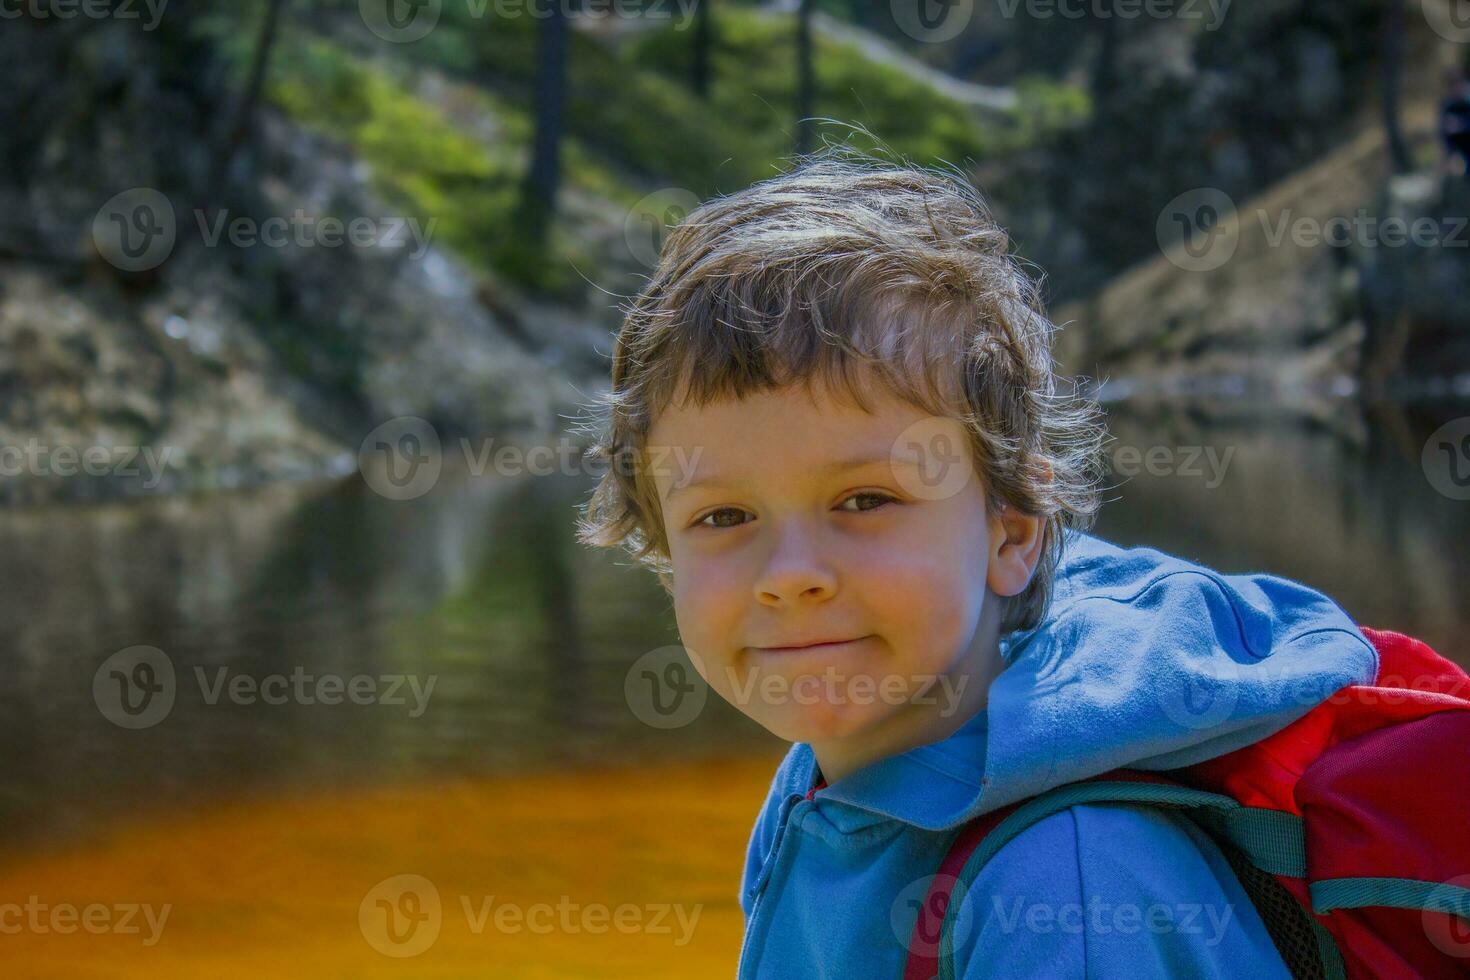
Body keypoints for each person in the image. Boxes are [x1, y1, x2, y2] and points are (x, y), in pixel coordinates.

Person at [576, 152, 1378, 977]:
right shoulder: (820, 787)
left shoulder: (1065, 893)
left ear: (1012, 532)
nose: (789, 573)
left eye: (863, 500)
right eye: (723, 516)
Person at [1439, 64, 1470, 180]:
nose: (1456, 88)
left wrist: (1462, 124)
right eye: (1452, 84)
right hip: (1458, 153)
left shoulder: (1468, 101)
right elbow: (1443, 132)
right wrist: (1449, 154)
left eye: (1458, 83)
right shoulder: (1448, 106)